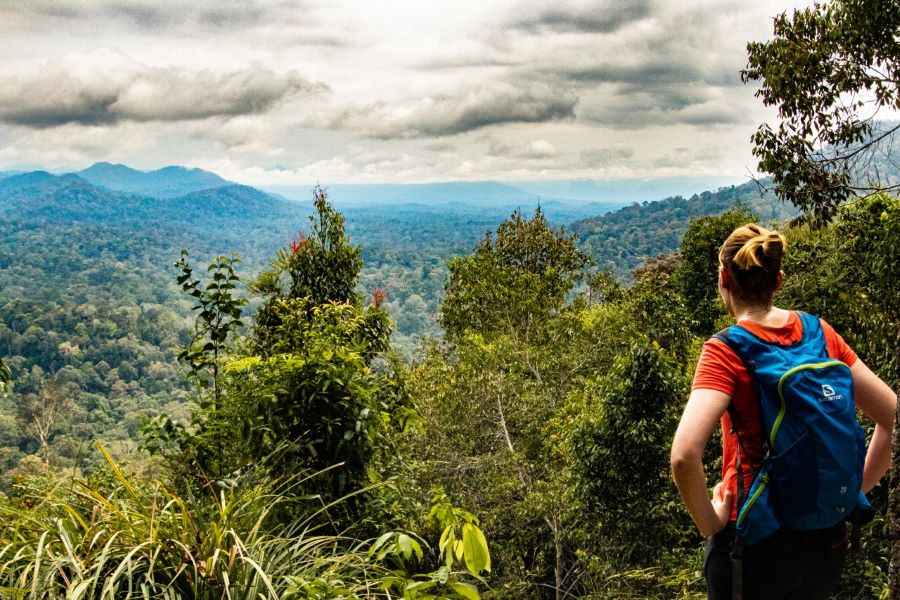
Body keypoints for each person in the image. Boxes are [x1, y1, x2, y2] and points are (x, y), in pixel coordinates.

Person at [670, 223, 896, 599]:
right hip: (825, 543)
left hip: (755, 543)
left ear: (723, 279)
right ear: (778, 280)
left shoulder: (726, 350)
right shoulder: (820, 333)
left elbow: (684, 455)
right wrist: (852, 490)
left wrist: (710, 522)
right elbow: (893, 417)